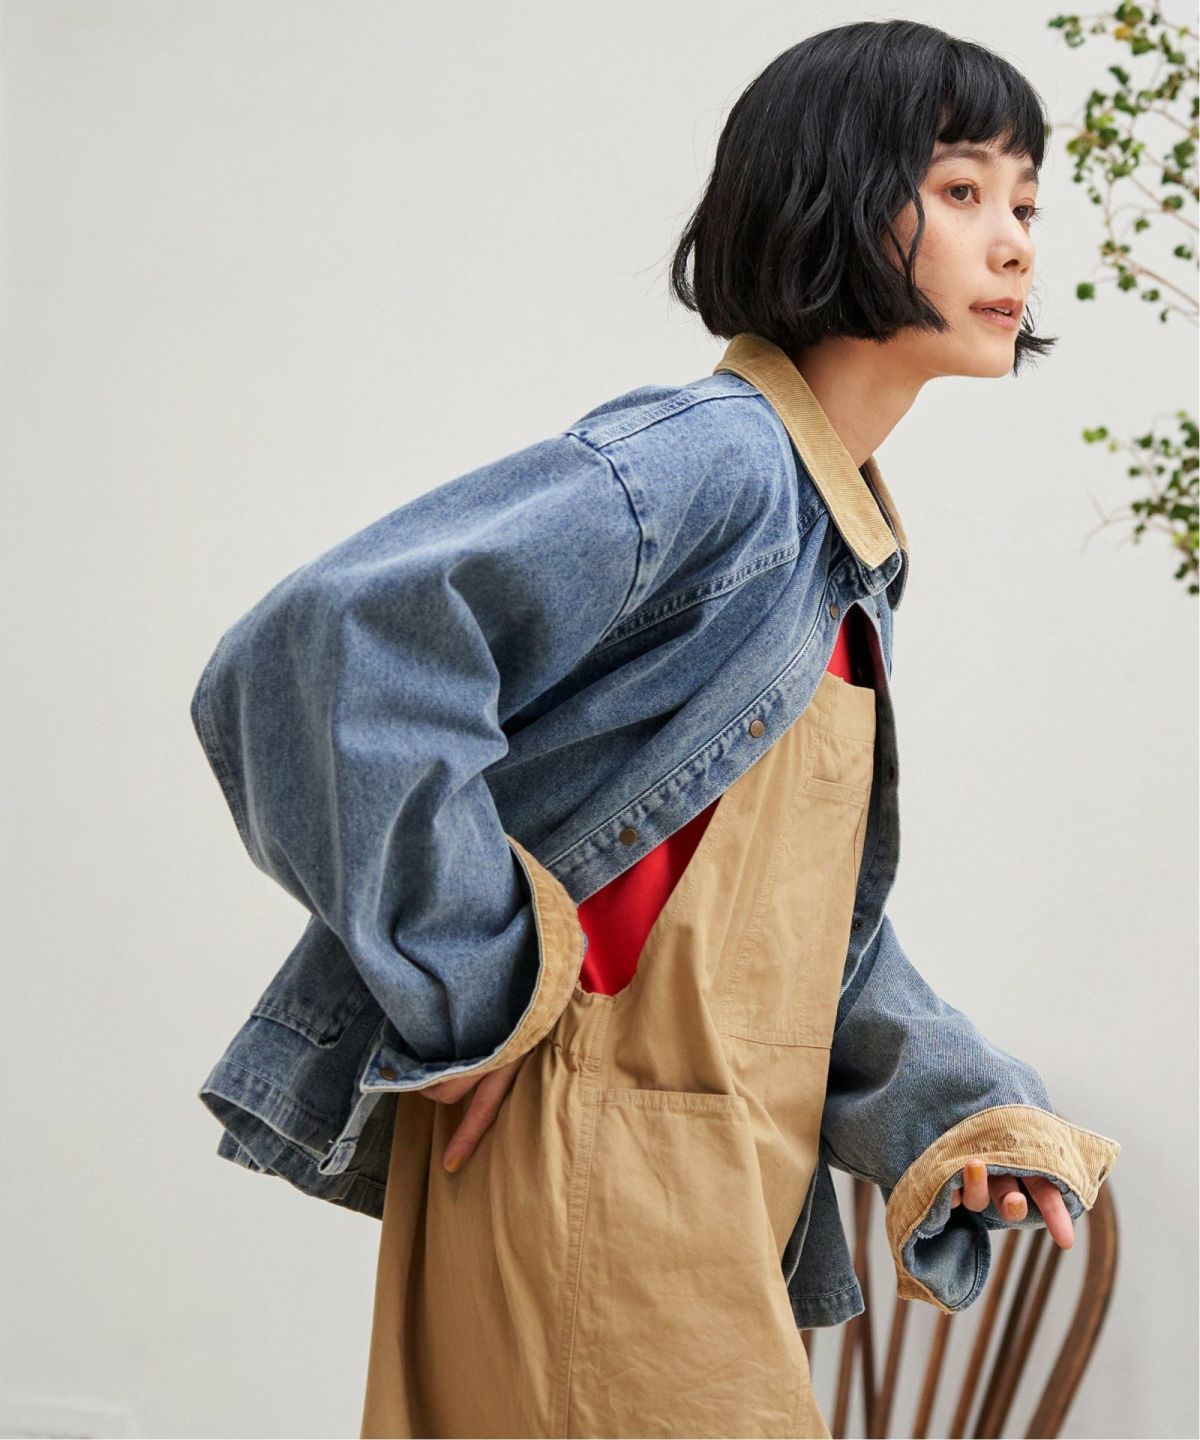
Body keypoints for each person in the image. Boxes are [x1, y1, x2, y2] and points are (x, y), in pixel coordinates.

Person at [190, 20, 1120, 1438]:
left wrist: (957, 1107)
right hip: (600, 1159)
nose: (1013, 244)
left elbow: (784, 932)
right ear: (830, 193)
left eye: (1027, 205)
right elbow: (330, 647)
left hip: (711, 1169)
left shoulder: (845, 545)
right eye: (960, 190)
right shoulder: (721, 463)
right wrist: (479, 987)